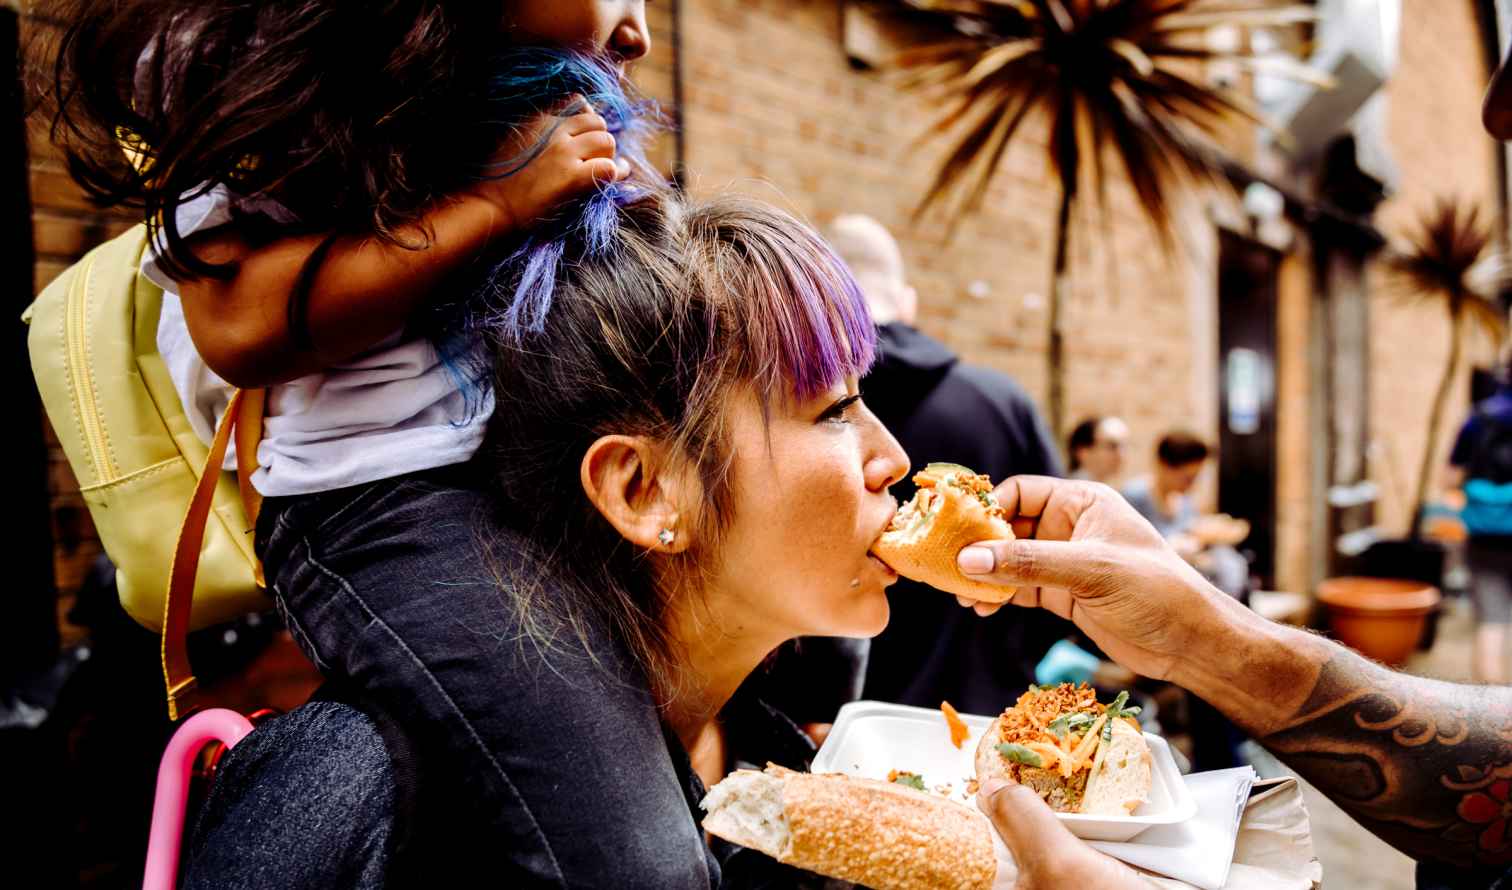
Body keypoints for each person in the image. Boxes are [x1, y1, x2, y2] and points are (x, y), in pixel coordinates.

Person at [46, 4, 734, 886]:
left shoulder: (525, 93)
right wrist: (493, 204)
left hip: (528, 481)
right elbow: (240, 324)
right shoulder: (253, 71)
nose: (637, 32)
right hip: (390, 506)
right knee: (637, 861)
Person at [187, 188, 911, 887]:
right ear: (644, 490)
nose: (895, 460)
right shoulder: (356, 780)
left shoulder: (800, 769)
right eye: (834, 410)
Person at [816, 213, 1068, 717]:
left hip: (841, 720)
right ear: (908, 302)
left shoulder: (799, 413)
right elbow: (1055, 560)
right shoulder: (1002, 401)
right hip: (988, 708)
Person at [1447, 361, 1512, 683]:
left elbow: (1451, 475)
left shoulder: (1479, 416)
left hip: (1485, 534)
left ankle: (1493, 705)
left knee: (1491, 621)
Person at [1066, 416, 1130, 484]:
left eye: (1124, 446)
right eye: (1112, 446)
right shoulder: (1072, 488)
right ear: (1083, 452)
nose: (1121, 454)